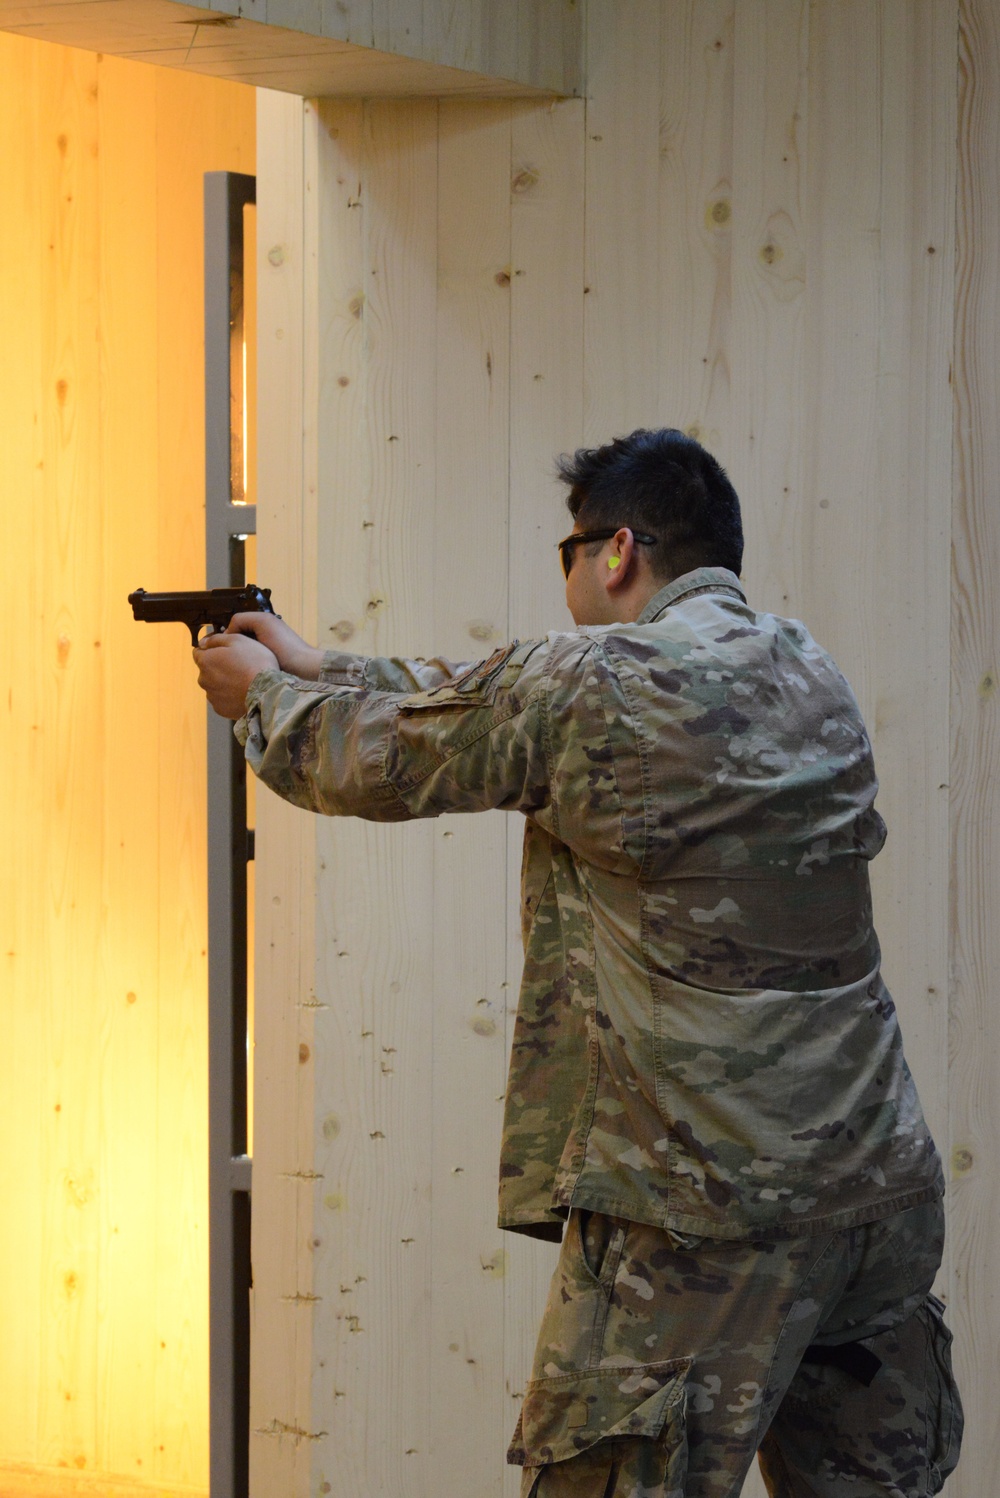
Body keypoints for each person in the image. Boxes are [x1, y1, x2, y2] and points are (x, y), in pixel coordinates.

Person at [194, 429, 962, 1498]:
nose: (563, 577)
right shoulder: (807, 668)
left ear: (616, 551)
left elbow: (371, 762)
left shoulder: (595, 681)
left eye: (568, 552)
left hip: (698, 1207)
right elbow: (482, 691)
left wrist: (260, 702)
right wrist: (312, 658)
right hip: (873, 1192)